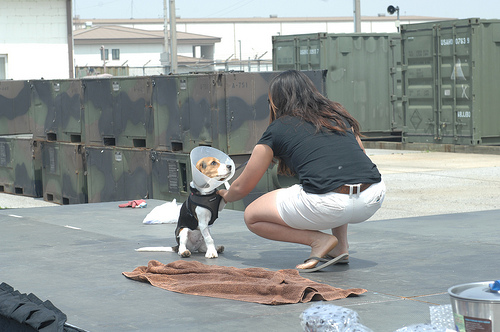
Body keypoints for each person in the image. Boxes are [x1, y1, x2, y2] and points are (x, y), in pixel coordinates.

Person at [217, 70, 385, 271]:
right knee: (336, 177)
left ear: (276, 100)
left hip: (329, 204)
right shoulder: (337, 115)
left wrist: (226, 195)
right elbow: (360, 156)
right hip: (372, 197)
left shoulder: (278, 129)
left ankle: (318, 241)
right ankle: (340, 246)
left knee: (252, 216)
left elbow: (243, 187)